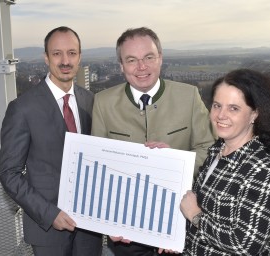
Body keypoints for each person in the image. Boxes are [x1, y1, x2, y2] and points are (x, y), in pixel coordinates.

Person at [91, 27, 214, 256]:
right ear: (121, 66)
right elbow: (99, 166)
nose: (141, 67)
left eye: (149, 57)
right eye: (131, 60)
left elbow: (209, 149)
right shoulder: (103, 102)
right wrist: (108, 222)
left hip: (180, 222)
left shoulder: (188, 96)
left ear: (160, 58)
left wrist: (174, 161)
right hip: (125, 229)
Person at [173, 68, 270, 255]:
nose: (221, 115)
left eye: (234, 108)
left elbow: (244, 244)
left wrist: (195, 216)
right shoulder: (217, 151)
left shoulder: (263, 169)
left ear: (254, 114)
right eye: (216, 105)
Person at [0, 26, 102, 256]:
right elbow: (9, 173)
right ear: (46, 57)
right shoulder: (22, 108)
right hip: (47, 229)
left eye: (72, 53)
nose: (65, 61)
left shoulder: (90, 101)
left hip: (89, 229)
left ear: (80, 57)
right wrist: (49, 213)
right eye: (57, 53)